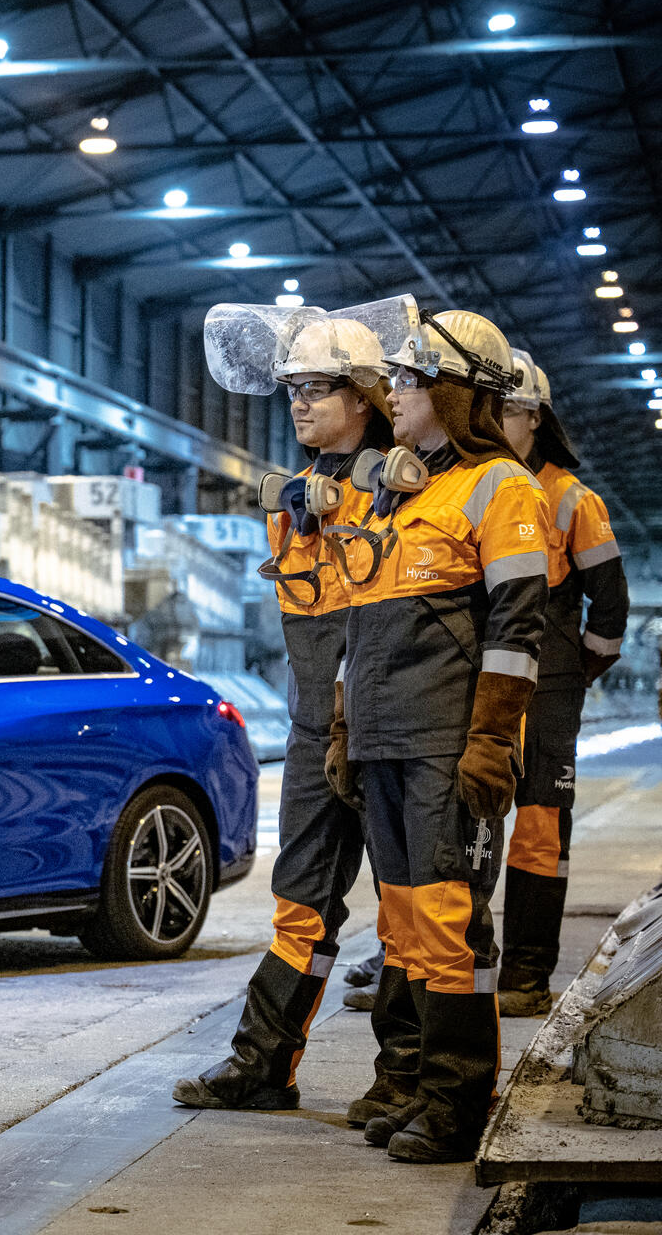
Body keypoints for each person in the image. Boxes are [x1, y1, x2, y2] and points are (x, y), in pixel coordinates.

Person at [330, 305, 547, 1163]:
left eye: (411, 379)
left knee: (449, 920)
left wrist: (490, 741)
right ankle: (409, 1078)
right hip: (384, 739)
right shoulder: (396, 491)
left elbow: (518, 631)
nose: (394, 392)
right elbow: (359, 625)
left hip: (444, 743)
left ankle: (457, 1099)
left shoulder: (502, 488)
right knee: (401, 920)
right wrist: (345, 726)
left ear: (458, 393)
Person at [174, 310, 393, 1113]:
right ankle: (263, 1066)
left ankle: (406, 1081)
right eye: (292, 389)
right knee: (299, 900)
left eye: (317, 388)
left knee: (413, 910)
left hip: (389, 730)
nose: (298, 403)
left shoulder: (404, 491)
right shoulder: (292, 503)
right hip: (314, 732)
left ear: (364, 397)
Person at [496, 352, 628, 1017]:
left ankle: (525, 975)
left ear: (535, 420)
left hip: (544, 686)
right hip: (482, 680)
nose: (493, 421)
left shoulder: (572, 499)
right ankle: (432, 969)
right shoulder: (466, 486)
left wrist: (572, 672)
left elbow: (611, 609)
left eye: (506, 410)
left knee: (539, 829)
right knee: (455, 829)